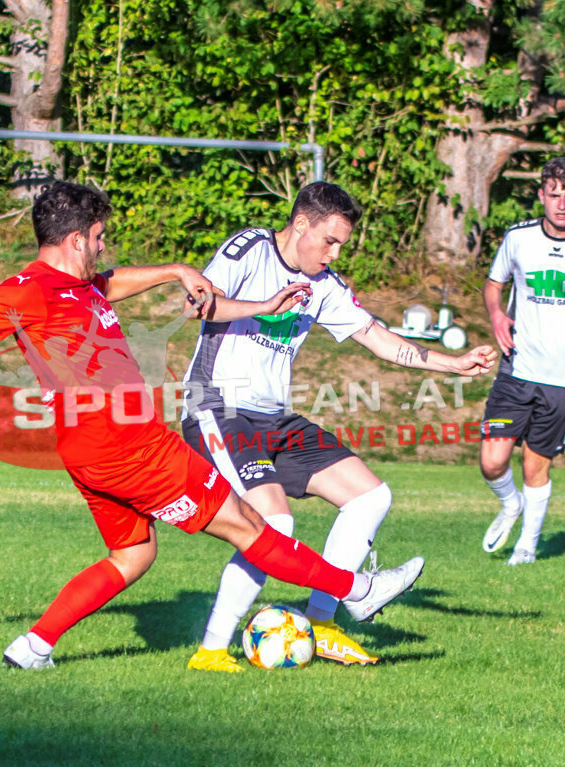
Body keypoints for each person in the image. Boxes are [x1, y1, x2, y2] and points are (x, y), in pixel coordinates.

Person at [0, 181, 426, 669]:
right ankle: (355, 591)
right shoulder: (26, 293)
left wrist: (174, 269)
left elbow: (118, 282)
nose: (104, 248)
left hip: (87, 454)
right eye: (98, 238)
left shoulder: (82, 284)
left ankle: (32, 645)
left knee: (132, 557)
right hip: (129, 446)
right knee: (252, 524)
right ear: (71, 240)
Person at [181, 181, 498, 672]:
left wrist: (452, 364)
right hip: (218, 408)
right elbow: (200, 304)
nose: (333, 253)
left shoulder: (324, 286)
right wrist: (266, 307)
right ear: (301, 224)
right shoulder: (249, 249)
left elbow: (376, 337)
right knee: (275, 524)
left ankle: (322, 624)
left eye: (341, 245)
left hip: (274, 417)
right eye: (329, 241)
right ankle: (211, 650)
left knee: (371, 497)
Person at [479, 158, 565, 565]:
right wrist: (497, 315)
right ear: (541, 195)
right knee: (492, 461)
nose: (561, 204)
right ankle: (510, 505)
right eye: (554, 195)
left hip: (564, 375)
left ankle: (527, 546)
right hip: (517, 366)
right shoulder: (519, 238)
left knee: (535, 466)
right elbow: (493, 285)